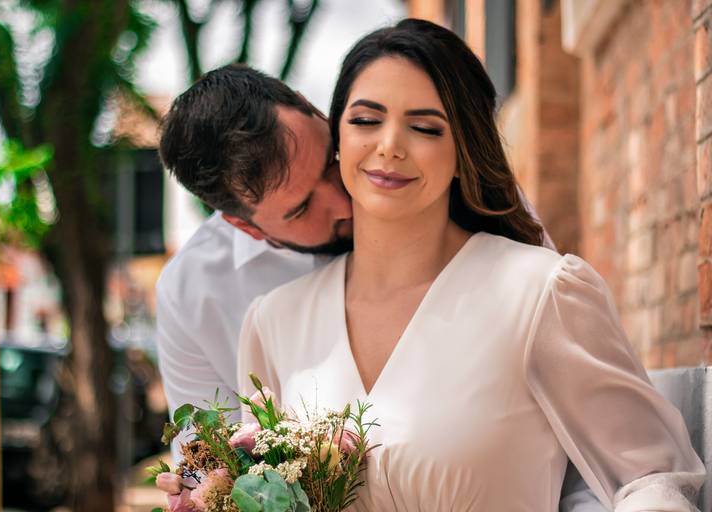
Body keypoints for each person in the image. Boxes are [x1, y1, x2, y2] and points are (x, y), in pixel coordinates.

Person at [236, 19, 706, 511]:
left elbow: (652, 478)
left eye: (425, 128)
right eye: (366, 120)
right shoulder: (275, 323)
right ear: (338, 139)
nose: (390, 145)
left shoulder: (539, 293)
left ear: (463, 151)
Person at [156, 65, 601, 511]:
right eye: (303, 208)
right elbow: (214, 472)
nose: (343, 200)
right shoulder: (194, 297)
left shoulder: (444, 187)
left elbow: (588, 451)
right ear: (247, 227)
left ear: (316, 112)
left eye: (329, 161)